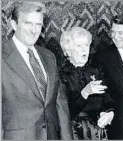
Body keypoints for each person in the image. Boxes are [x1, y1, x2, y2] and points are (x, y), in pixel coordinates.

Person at [2, 2, 73, 140]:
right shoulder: (2, 56)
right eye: (28, 23)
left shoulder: (49, 56)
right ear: (14, 24)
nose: (34, 30)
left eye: (38, 24)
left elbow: (60, 105)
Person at [59, 27, 114, 140]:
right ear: (68, 50)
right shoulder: (62, 75)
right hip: (74, 133)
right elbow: (66, 112)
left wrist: (109, 114)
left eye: (86, 45)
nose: (84, 50)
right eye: (79, 46)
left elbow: (108, 101)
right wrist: (85, 92)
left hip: (98, 132)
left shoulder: (96, 70)